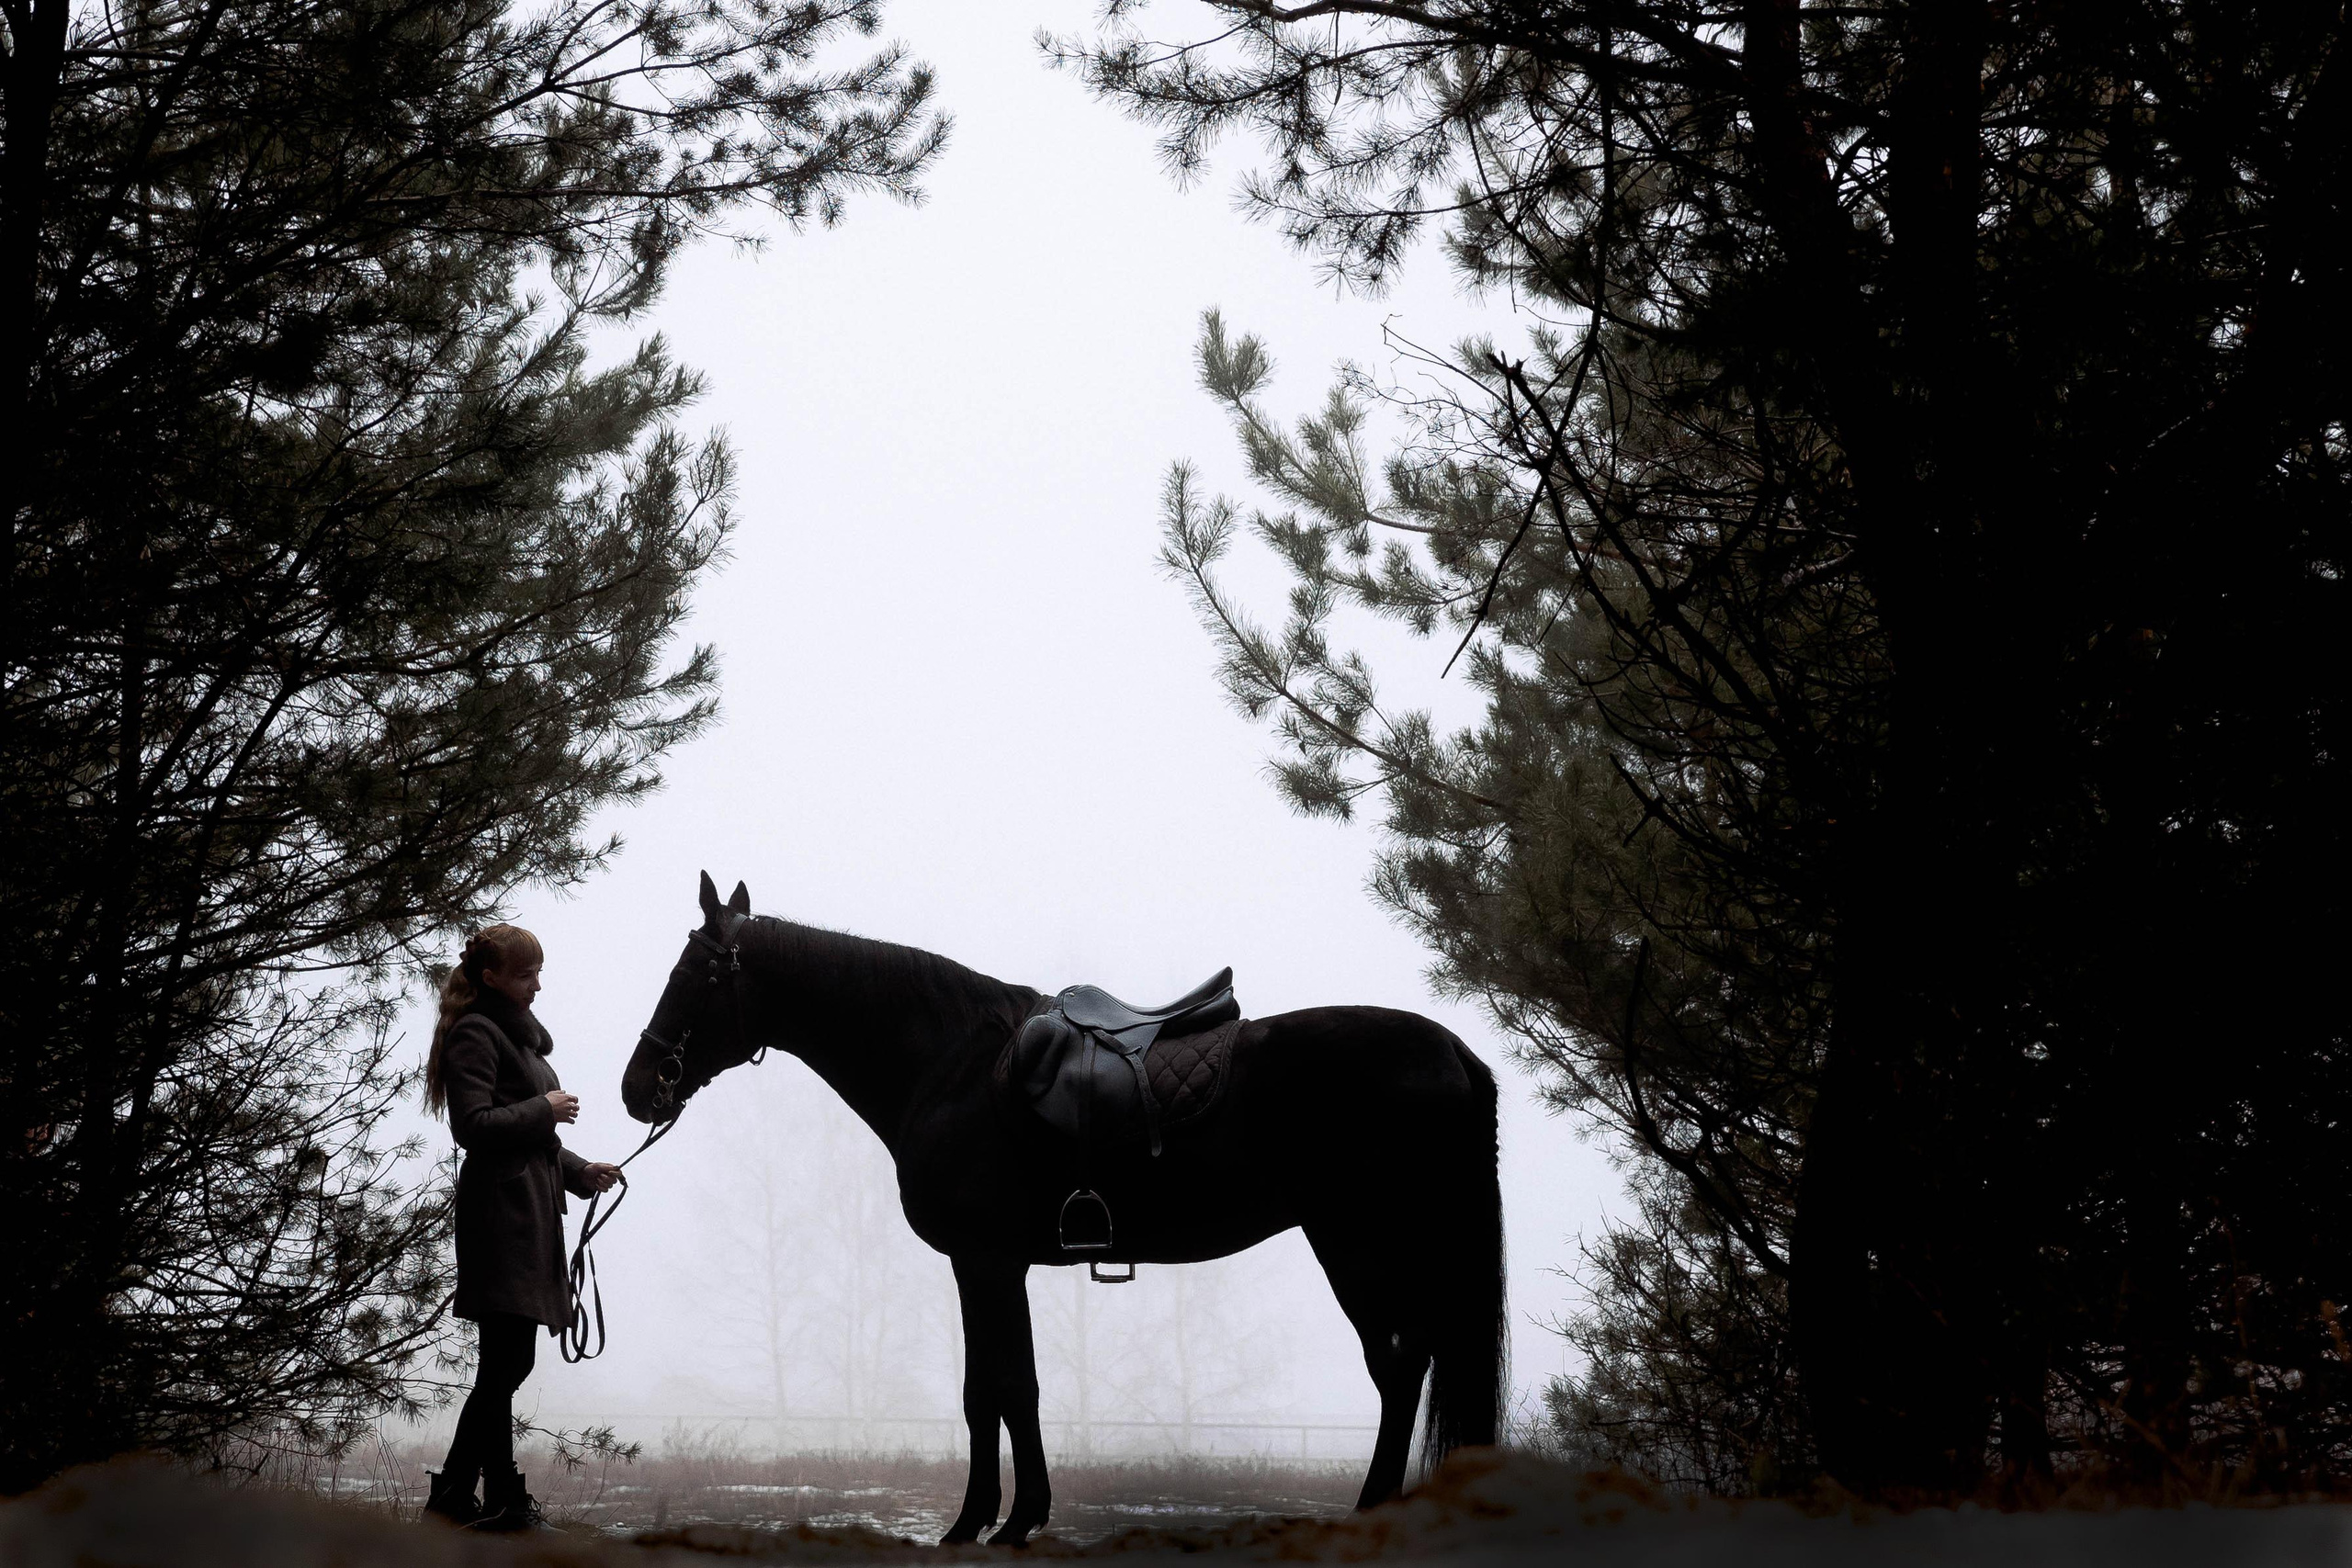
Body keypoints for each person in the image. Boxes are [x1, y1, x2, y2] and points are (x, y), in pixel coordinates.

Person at [417, 924, 620, 1529]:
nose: (537, 982)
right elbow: (472, 1124)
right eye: (526, 973)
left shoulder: (522, 1045)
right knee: (508, 1366)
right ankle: (454, 1497)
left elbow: (538, 1143)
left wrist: (582, 1169)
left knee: (504, 1365)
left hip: (527, 1214)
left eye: (538, 971)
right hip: (500, 1215)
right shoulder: (477, 1033)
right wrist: (546, 1108)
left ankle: (500, 1499)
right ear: (492, 978)